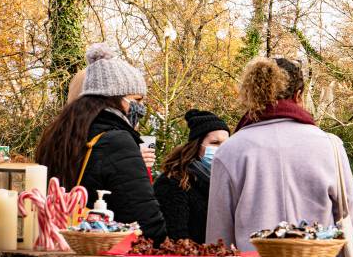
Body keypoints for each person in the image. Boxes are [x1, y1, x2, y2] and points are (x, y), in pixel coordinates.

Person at [206, 58, 353, 251]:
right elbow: (348, 220)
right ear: (298, 95)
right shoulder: (330, 146)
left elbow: (219, 235)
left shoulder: (230, 150)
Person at [35, 43, 167, 242]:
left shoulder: (60, 135)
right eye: (137, 99)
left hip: (53, 243)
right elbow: (148, 225)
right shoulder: (118, 141)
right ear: (116, 98)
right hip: (103, 255)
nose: (141, 107)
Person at [154, 110, 230, 243]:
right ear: (197, 145)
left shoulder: (223, 181)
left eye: (226, 144)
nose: (222, 149)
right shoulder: (173, 181)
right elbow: (176, 236)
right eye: (215, 143)